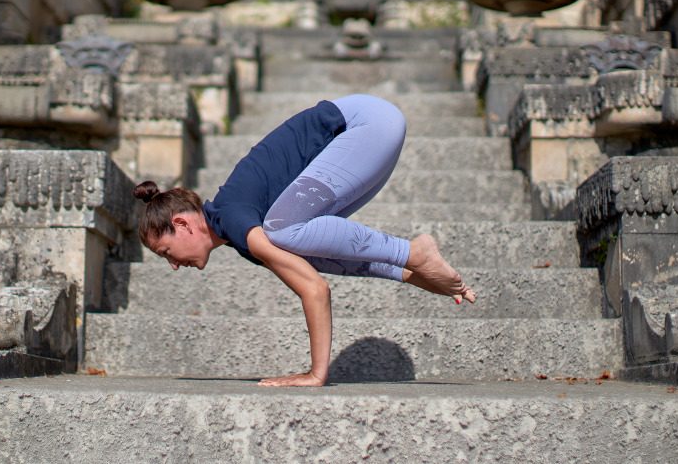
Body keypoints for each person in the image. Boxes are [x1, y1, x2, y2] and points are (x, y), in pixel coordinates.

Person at [134, 94, 476, 388]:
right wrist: (421, 278)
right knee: (299, 243)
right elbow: (330, 263)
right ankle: (413, 259)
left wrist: (316, 374)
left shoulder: (234, 216)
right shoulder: (243, 235)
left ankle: (414, 250)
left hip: (363, 125)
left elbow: (314, 289)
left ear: (182, 223)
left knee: (281, 230)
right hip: (374, 129)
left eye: (167, 253)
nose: (175, 265)